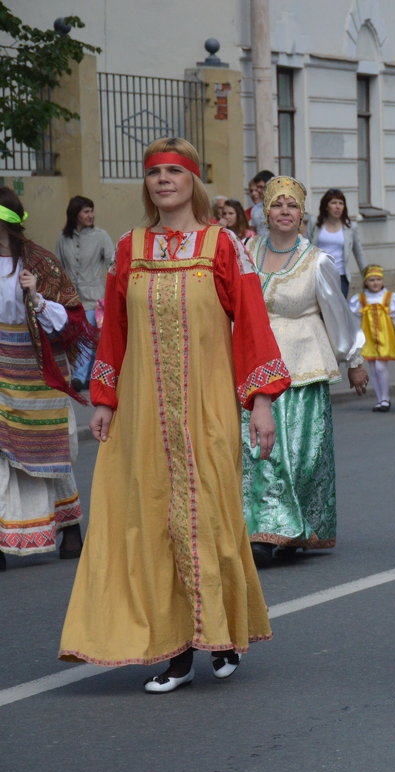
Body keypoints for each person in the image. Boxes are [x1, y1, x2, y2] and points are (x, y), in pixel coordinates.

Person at [59, 137, 289, 692]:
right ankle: (178, 649)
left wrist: (261, 402)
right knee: (153, 521)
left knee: (208, 516)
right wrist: (105, 401)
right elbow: (112, 331)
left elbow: (253, 324)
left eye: (174, 172)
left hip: (206, 409)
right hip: (142, 415)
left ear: (192, 181)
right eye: (154, 172)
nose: (163, 180)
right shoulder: (129, 247)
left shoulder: (222, 244)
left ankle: (224, 630)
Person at [242, 176, 367, 566]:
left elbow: (338, 314)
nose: (283, 212)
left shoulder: (318, 262)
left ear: (301, 214)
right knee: (254, 453)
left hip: (301, 367)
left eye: (291, 206)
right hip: (252, 365)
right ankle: (261, 528)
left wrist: (354, 359)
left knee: (294, 454)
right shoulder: (246, 251)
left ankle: (289, 528)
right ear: (266, 211)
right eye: (276, 205)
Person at [0, 189, 93, 572]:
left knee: (48, 455)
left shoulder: (40, 262)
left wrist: (36, 296)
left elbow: (71, 323)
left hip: (37, 370)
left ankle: (70, 528)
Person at [55, 195, 113, 392]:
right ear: (75, 214)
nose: (91, 215)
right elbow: (59, 267)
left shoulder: (101, 235)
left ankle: (79, 377)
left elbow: (112, 263)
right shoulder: (63, 238)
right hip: (71, 297)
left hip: (95, 298)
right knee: (79, 337)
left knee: (86, 337)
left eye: (91, 211)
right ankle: (88, 377)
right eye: (86, 211)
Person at [350, 265, 395, 411]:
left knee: (381, 367)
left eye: (378, 279)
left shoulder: (390, 297)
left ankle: (386, 398)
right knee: (373, 369)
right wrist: (355, 338)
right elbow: (356, 321)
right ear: (366, 282)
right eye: (372, 280)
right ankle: (380, 399)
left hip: (385, 337)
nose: (375, 283)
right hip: (368, 338)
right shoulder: (360, 299)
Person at [313, 188, 366, 297]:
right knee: (319, 312)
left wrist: (368, 275)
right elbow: (305, 248)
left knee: (338, 312)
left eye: (341, 203)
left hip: (340, 277)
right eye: (334, 203)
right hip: (318, 275)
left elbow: (359, 252)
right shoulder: (315, 224)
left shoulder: (350, 227)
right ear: (326, 206)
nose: (338, 207)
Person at [248, 169, 273, 236]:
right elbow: (253, 232)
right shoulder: (255, 209)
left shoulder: (281, 207)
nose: (258, 190)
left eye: (261, 187)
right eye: (258, 187)